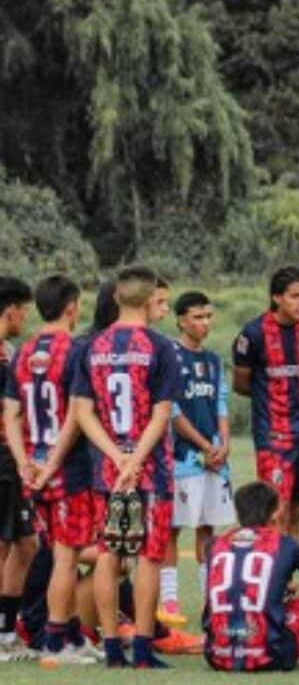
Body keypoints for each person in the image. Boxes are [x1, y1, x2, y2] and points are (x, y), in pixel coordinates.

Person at [70, 264, 180, 668]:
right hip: (151, 467)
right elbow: (161, 411)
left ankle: (113, 648)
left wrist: (116, 457)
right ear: (151, 299)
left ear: (116, 297)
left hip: (107, 469)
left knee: (107, 553)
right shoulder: (160, 346)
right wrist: (135, 457)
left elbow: (82, 412)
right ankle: (145, 649)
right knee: (150, 555)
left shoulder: (92, 346)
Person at [3, 275, 99, 667]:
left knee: (60, 551)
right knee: (66, 556)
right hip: (66, 469)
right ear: (72, 308)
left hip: (34, 470)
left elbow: (10, 414)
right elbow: (77, 415)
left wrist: (26, 461)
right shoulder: (75, 351)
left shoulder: (22, 352)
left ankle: (73, 634)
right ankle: (56, 641)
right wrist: (55, 463)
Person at [203, 481, 299, 672]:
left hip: (218, 656)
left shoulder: (215, 545)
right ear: (275, 514)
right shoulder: (284, 544)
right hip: (269, 655)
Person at [158, 292, 235, 627]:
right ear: (181, 320)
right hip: (183, 458)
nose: (205, 323)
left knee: (208, 527)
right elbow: (172, 411)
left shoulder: (214, 360)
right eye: (198, 317)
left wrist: (224, 444)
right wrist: (204, 445)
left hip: (213, 459)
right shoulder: (170, 356)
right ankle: (170, 600)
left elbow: (220, 403)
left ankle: (209, 599)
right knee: (173, 528)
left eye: (208, 316)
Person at [233, 266, 299, 539]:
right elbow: (241, 384)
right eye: (295, 296)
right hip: (273, 435)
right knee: (276, 510)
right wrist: (270, 398)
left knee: (297, 508)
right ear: (277, 298)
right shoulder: (252, 334)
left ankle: (290, 573)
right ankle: (274, 576)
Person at [0, 276, 35, 662]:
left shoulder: (9, 351)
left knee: (26, 544)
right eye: (23, 310)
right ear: (10, 309)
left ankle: (8, 632)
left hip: (14, 457)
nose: (24, 316)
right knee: (6, 545)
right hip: (4, 457)